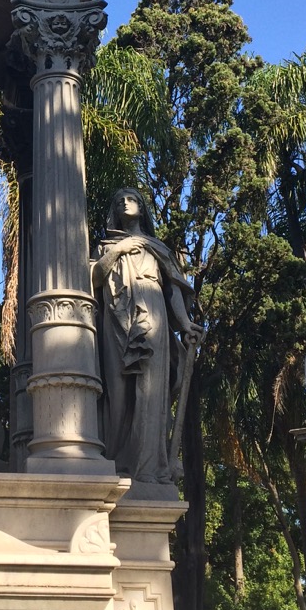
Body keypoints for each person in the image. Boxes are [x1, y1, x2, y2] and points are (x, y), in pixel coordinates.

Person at [92, 188, 203, 483]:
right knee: (119, 393)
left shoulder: (156, 246)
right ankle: (117, 461)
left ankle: (150, 467)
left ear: (142, 207)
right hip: (117, 319)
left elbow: (173, 288)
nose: (124, 203)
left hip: (152, 315)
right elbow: (94, 278)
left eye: (131, 199)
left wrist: (185, 322)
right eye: (119, 200)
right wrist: (118, 250)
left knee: (151, 390)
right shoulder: (106, 247)